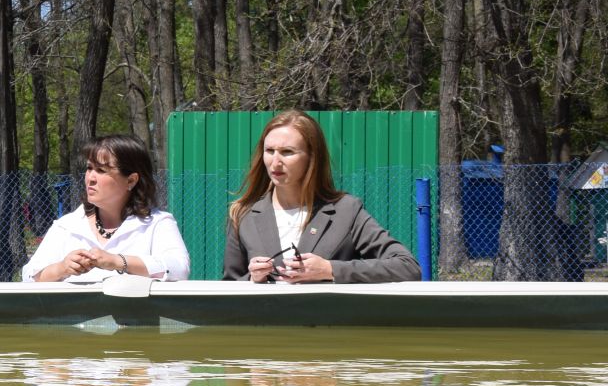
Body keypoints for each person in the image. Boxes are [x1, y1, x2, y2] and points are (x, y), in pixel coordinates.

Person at [223, 109, 421, 283]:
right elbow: (228, 286)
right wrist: (253, 278)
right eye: (269, 151)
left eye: (287, 152)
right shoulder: (243, 214)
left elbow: (408, 267)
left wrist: (330, 269)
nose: (275, 162)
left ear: (312, 157)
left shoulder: (346, 211)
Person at [22, 134, 191, 282]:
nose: (90, 178)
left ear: (131, 180)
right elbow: (30, 276)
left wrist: (117, 262)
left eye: (101, 170)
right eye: (89, 168)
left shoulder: (157, 223)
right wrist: (63, 268)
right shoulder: (67, 226)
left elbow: (179, 268)